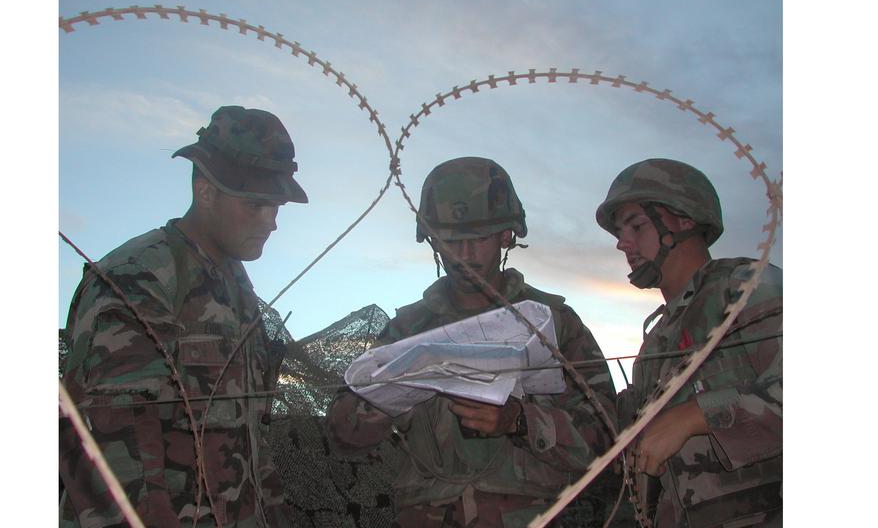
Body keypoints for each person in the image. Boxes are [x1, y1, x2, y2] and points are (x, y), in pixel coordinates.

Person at [327, 157, 617, 528]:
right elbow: (342, 437)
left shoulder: (552, 323)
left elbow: (609, 435)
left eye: (478, 238)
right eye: (451, 240)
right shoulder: (407, 330)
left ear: (506, 236)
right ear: (433, 240)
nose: (463, 255)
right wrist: (386, 402)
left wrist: (521, 422)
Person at [59, 106, 308, 527]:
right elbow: (111, 457)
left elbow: (248, 438)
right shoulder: (138, 278)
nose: (271, 222)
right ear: (205, 191)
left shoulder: (238, 289)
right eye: (255, 205)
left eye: (276, 206)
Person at [595, 158, 782, 527]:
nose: (622, 243)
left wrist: (696, 415)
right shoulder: (656, 340)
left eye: (636, 225)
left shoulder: (746, 287)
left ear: (684, 220)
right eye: (620, 231)